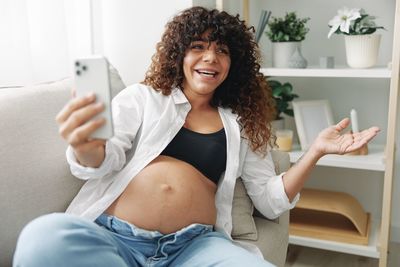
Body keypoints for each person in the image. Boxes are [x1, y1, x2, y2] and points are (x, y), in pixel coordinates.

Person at [13, 6, 379, 267]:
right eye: (199, 46)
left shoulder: (241, 124)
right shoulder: (141, 99)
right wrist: (86, 148)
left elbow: (268, 201)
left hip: (194, 249)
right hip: (115, 237)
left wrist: (314, 152)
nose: (211, 57)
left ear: (233, 64)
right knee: (44, 235)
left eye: (223, 50)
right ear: (179, 53)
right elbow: (101, 161)